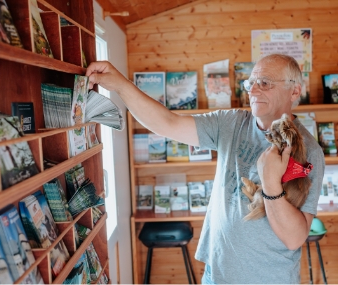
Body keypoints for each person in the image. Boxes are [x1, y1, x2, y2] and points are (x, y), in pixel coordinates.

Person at [86, 53, 325, 284]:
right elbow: (167, 123)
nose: (252, 90)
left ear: (295, 90)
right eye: (250, 83)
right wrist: (120, 84)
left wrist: (271, 182)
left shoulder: (308, 151)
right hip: (216, 276)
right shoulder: (231, 123)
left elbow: (294, 238)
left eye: (265, 83)